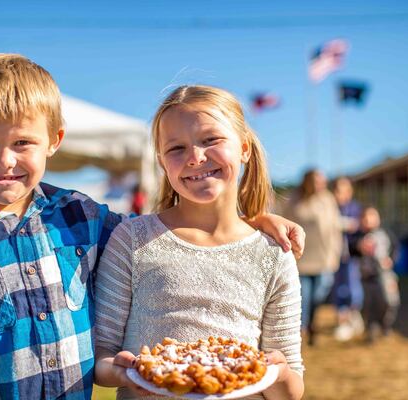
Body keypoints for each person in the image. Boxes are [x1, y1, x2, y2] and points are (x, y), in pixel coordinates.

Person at [0, 55, 305, 400]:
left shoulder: (80, 217)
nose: (5, 161)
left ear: (54, 140)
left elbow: (181, 236)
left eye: (22, 143)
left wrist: (254, 224)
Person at [94, 85, 304, 400]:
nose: (195, 157)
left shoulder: (274, 253)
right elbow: (102, 355)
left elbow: (291, 388)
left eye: (211, 140)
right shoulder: (132, 241)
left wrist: (278, 372)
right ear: (163, 162)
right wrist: (124, 371)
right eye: (176, 148)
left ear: (244, 148)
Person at [283, 169, 342, 345]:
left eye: (323, 181)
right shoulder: (293, 199)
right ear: (308, 181)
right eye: (317, 181)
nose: (321, 184)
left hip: (324, 258)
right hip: (302, 259)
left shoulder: (328, 199)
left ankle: (312, 325)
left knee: (319, 296)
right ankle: (303, 330)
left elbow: (335, 228)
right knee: (304, 298)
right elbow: (284, 223)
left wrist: (336, 254)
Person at [349, 206, 400, 342]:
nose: (369, 220)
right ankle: (371, 329)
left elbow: (395, 248)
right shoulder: (359, 236)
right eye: (365, 218)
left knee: (390, 301)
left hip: (385, 275)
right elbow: (351, 248)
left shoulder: (385, 234)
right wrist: (359, 246)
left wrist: (391, 260)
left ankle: (385, 325)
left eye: (372, 216)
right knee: (369, 305)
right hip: (367, 278)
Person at [331, 177, 364, 342]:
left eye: (344, 190)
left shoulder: (356, 209)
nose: (340, 194)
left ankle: (354, 316)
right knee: (339, 288)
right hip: (334, 256)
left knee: (353, 286)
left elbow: (361, 226)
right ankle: (341, 321)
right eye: (337, 191)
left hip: (351, 256)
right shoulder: (330, 209)